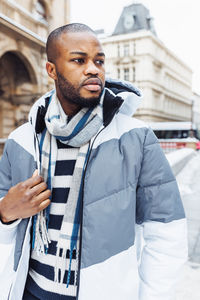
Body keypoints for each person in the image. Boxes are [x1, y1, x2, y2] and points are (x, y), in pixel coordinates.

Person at [0, 23, 187, 300]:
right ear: (51, 70)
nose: (93, 69)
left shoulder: (136, 137)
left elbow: (167, 233)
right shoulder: (21, 140)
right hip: (28, 292)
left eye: (99, 61)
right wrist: (5, 213)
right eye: (79, 60)